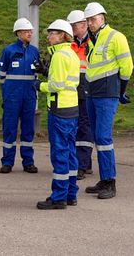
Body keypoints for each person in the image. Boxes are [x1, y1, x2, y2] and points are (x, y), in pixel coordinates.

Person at [82, 1, 133, 200]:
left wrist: (122, 90)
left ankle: (110, 182)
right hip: (92, 93)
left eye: (93, 19)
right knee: (97, 137)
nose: (90, 23)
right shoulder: (91, 40)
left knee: (103, 137)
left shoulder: (116, 37)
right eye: (88, 20)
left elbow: (127, 66)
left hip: (107, 94)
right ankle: (104, 179)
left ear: (102, 18)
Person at [36, 18, 81, 209]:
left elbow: (56, 85)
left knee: (60, 153)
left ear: (62, 35)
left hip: (59, 109)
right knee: (70, 152)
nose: (48, 36)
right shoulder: (71, 54)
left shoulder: (59, 56)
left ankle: (59, 197)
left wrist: (39, 85)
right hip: (71, 108)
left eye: (52, 33)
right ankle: (71, 194)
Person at [0, 17, 40, 174]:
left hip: (29, 97)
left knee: (28, 129)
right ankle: (7, 162)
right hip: (12, 97)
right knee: (9, 129)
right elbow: (1, 76)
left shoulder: (34, 51)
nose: (30, 34)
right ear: (18, 33)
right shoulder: (8, 51)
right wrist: (7, 94)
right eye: (26, 31)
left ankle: (28, 162)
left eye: (30, 31)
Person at [66, 9, 94, 177]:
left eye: (73, 26)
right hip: (74, 89)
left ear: (83, 25)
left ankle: (82, 165)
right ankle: (84, 162)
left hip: (88, 88)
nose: (71, 29)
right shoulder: (71, 44)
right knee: (78, 126)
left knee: (84, 126)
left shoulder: (93, 42)